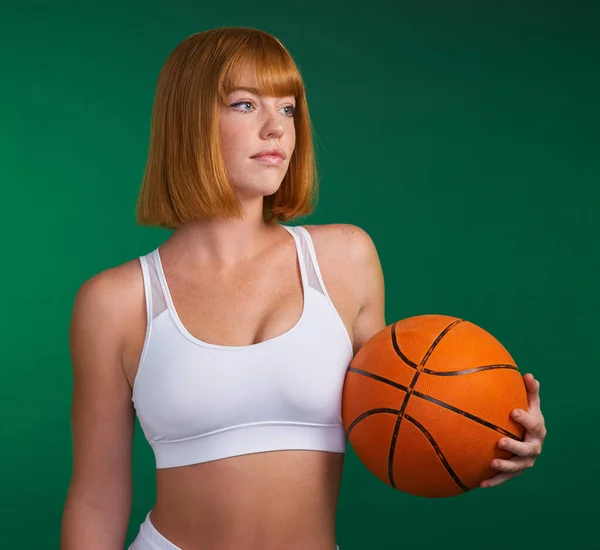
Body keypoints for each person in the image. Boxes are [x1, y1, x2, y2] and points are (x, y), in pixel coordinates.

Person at [60, 27, 547, 550]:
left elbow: (405, 411)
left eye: (288, 109)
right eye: (245, 105)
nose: (277, 129)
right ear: (188, 122)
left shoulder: (345, 260)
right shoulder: (114, 302)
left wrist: (495, 431)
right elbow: (97, 495)